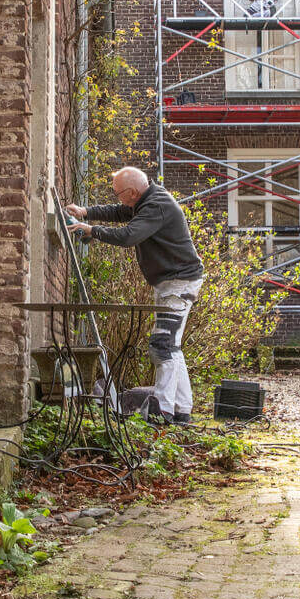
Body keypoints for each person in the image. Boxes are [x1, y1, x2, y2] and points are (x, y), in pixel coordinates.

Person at [64, 167, 205, 424]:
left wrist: (91, 230)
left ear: (132, 192)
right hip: (171, 282)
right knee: (171, 345)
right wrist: (86, 212)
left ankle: (162, 410)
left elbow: (129, 236)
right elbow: (118, 212)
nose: (119, 199)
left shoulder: (155, 206)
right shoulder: (145, 199)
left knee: (162, 344)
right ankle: (182, 409)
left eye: (119, 194)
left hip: (179, 283)